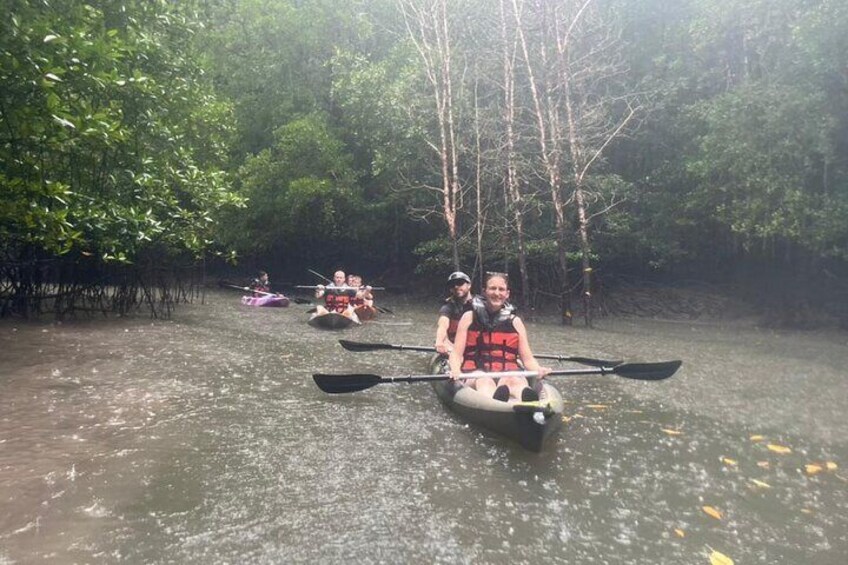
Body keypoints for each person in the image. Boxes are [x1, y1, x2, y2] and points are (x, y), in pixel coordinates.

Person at [448, 272, 550, 402]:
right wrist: (455, 370)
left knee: (512, 380)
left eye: (501, 289)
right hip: (476, 374)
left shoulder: (515, 322)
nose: (497, 293)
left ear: (507, 294)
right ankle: (495, 403)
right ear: (484, 292)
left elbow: (528, 359)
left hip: (507, 373)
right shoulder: (468, 318)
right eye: (492, 288)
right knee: (484, 380)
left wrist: (538, 369)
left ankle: (527, 401)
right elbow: (456, 354)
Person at [435, 271, 473, 355]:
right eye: (452, 285)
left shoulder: (479, 306)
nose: (456, 287)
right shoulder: (448, 307)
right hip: (452, 346)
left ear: (469, 285)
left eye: (460, 283)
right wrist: (439, 341)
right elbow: (442, 325)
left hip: (473, 347)